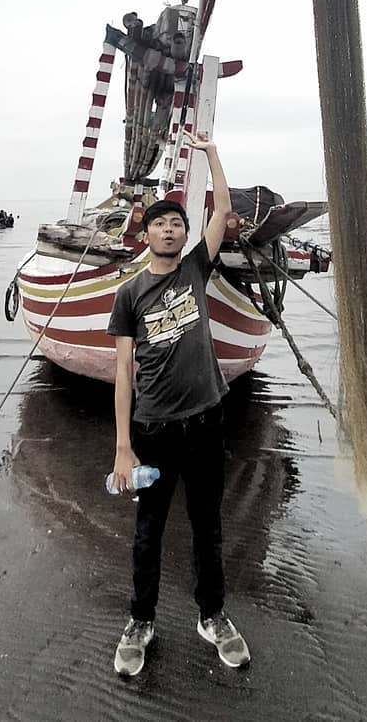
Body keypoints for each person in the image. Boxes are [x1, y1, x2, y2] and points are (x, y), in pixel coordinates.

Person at [106, 130, 248, 677]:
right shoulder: (129, 294)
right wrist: (123, 448)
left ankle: (211, 615)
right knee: (149, 532)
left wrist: (210, 151)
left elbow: (224, 209)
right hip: (154, 430)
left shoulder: (195, 270)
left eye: (178, 224)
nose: (170, 229)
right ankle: (141, 620)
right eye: (161, 223)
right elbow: (122, 372)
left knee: (208, 525)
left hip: (208, 422)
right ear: (146, 235)